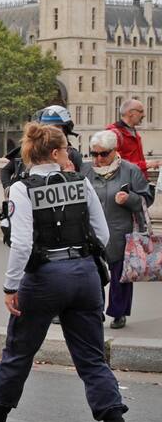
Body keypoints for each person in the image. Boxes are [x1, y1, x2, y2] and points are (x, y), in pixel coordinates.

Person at [0, 123, 135, 422]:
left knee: (19, 351)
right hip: (85, 274)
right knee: (91, 356)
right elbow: (101, 234)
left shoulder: (21, 189)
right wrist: (82, 262)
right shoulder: (81, 182)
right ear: (59, 152)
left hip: (44, 277)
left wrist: (10, 286)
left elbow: (21, 244)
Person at [81, 129, 152, 329]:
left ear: (114, 151)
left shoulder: (130, 170)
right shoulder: (85, 171)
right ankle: (96, 311)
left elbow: (146, 198)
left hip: (121, 232)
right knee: (93, 275)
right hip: (91, 234)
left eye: (103, 154)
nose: (98, 159)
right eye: (94, 154)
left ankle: (119, 313)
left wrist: (129, 199)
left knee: (121, 276)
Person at [0, 106, 81, 190]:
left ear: (65, 130)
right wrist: (8, 189)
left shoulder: (73, 155)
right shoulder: (29, 149)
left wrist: (71, 177)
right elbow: (6, 170)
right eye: (46, 127)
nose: (51, 131)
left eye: (56, 127)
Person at [107, 99, 161, 180]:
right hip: (125, 186)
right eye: (141, 111)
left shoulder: (133, 132)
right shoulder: (113, 133)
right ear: (130, 113)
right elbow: (113, 164)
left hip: (137, 182)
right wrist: (146, 165)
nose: (144, 115)